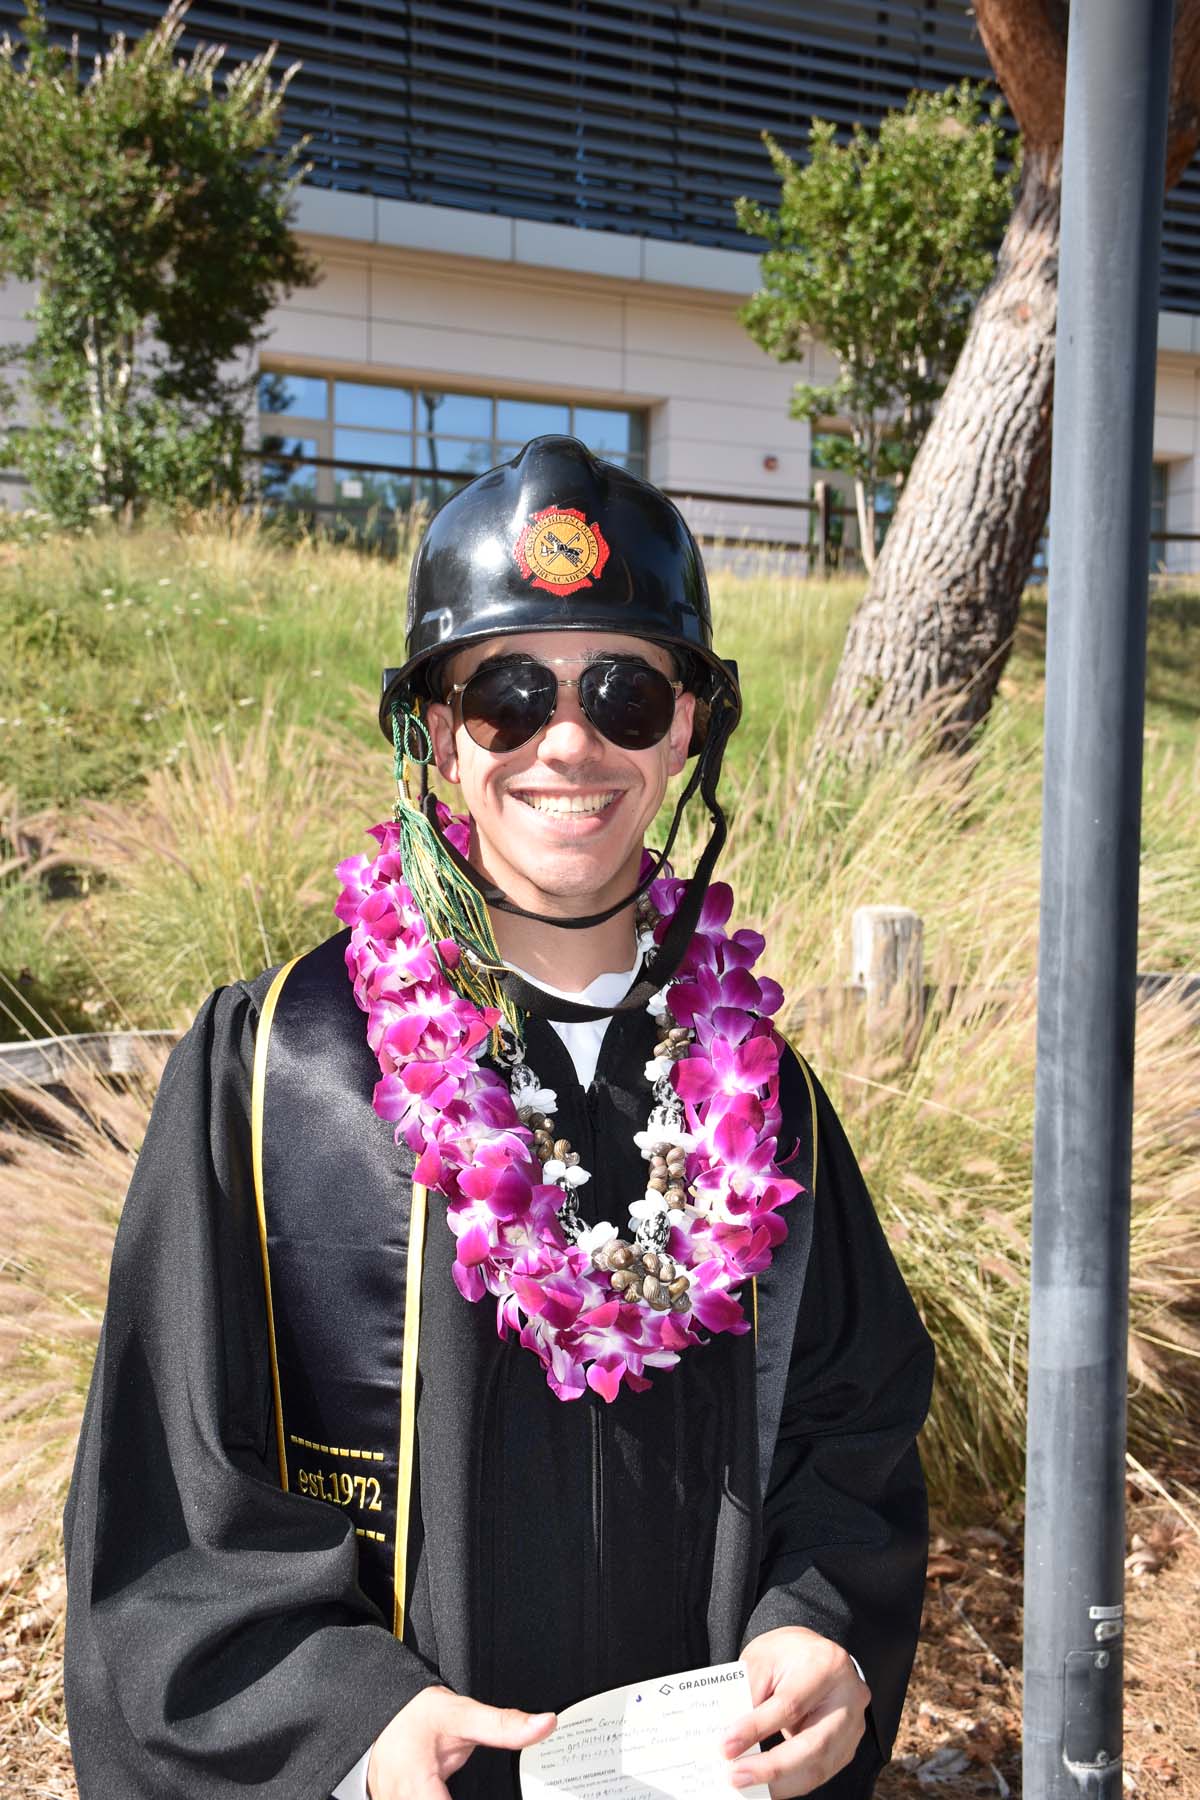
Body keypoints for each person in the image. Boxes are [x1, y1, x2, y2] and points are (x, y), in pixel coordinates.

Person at [64, 436, 933, 1800]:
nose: (568, 742)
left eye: (627, 693)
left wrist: (819, 1621)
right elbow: (170, 1492)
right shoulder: (278, 1071)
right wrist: (342, 1719)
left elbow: (854, 1429)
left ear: (688, 728)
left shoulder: (766, 1108)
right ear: (436, 732)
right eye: (510, 693)